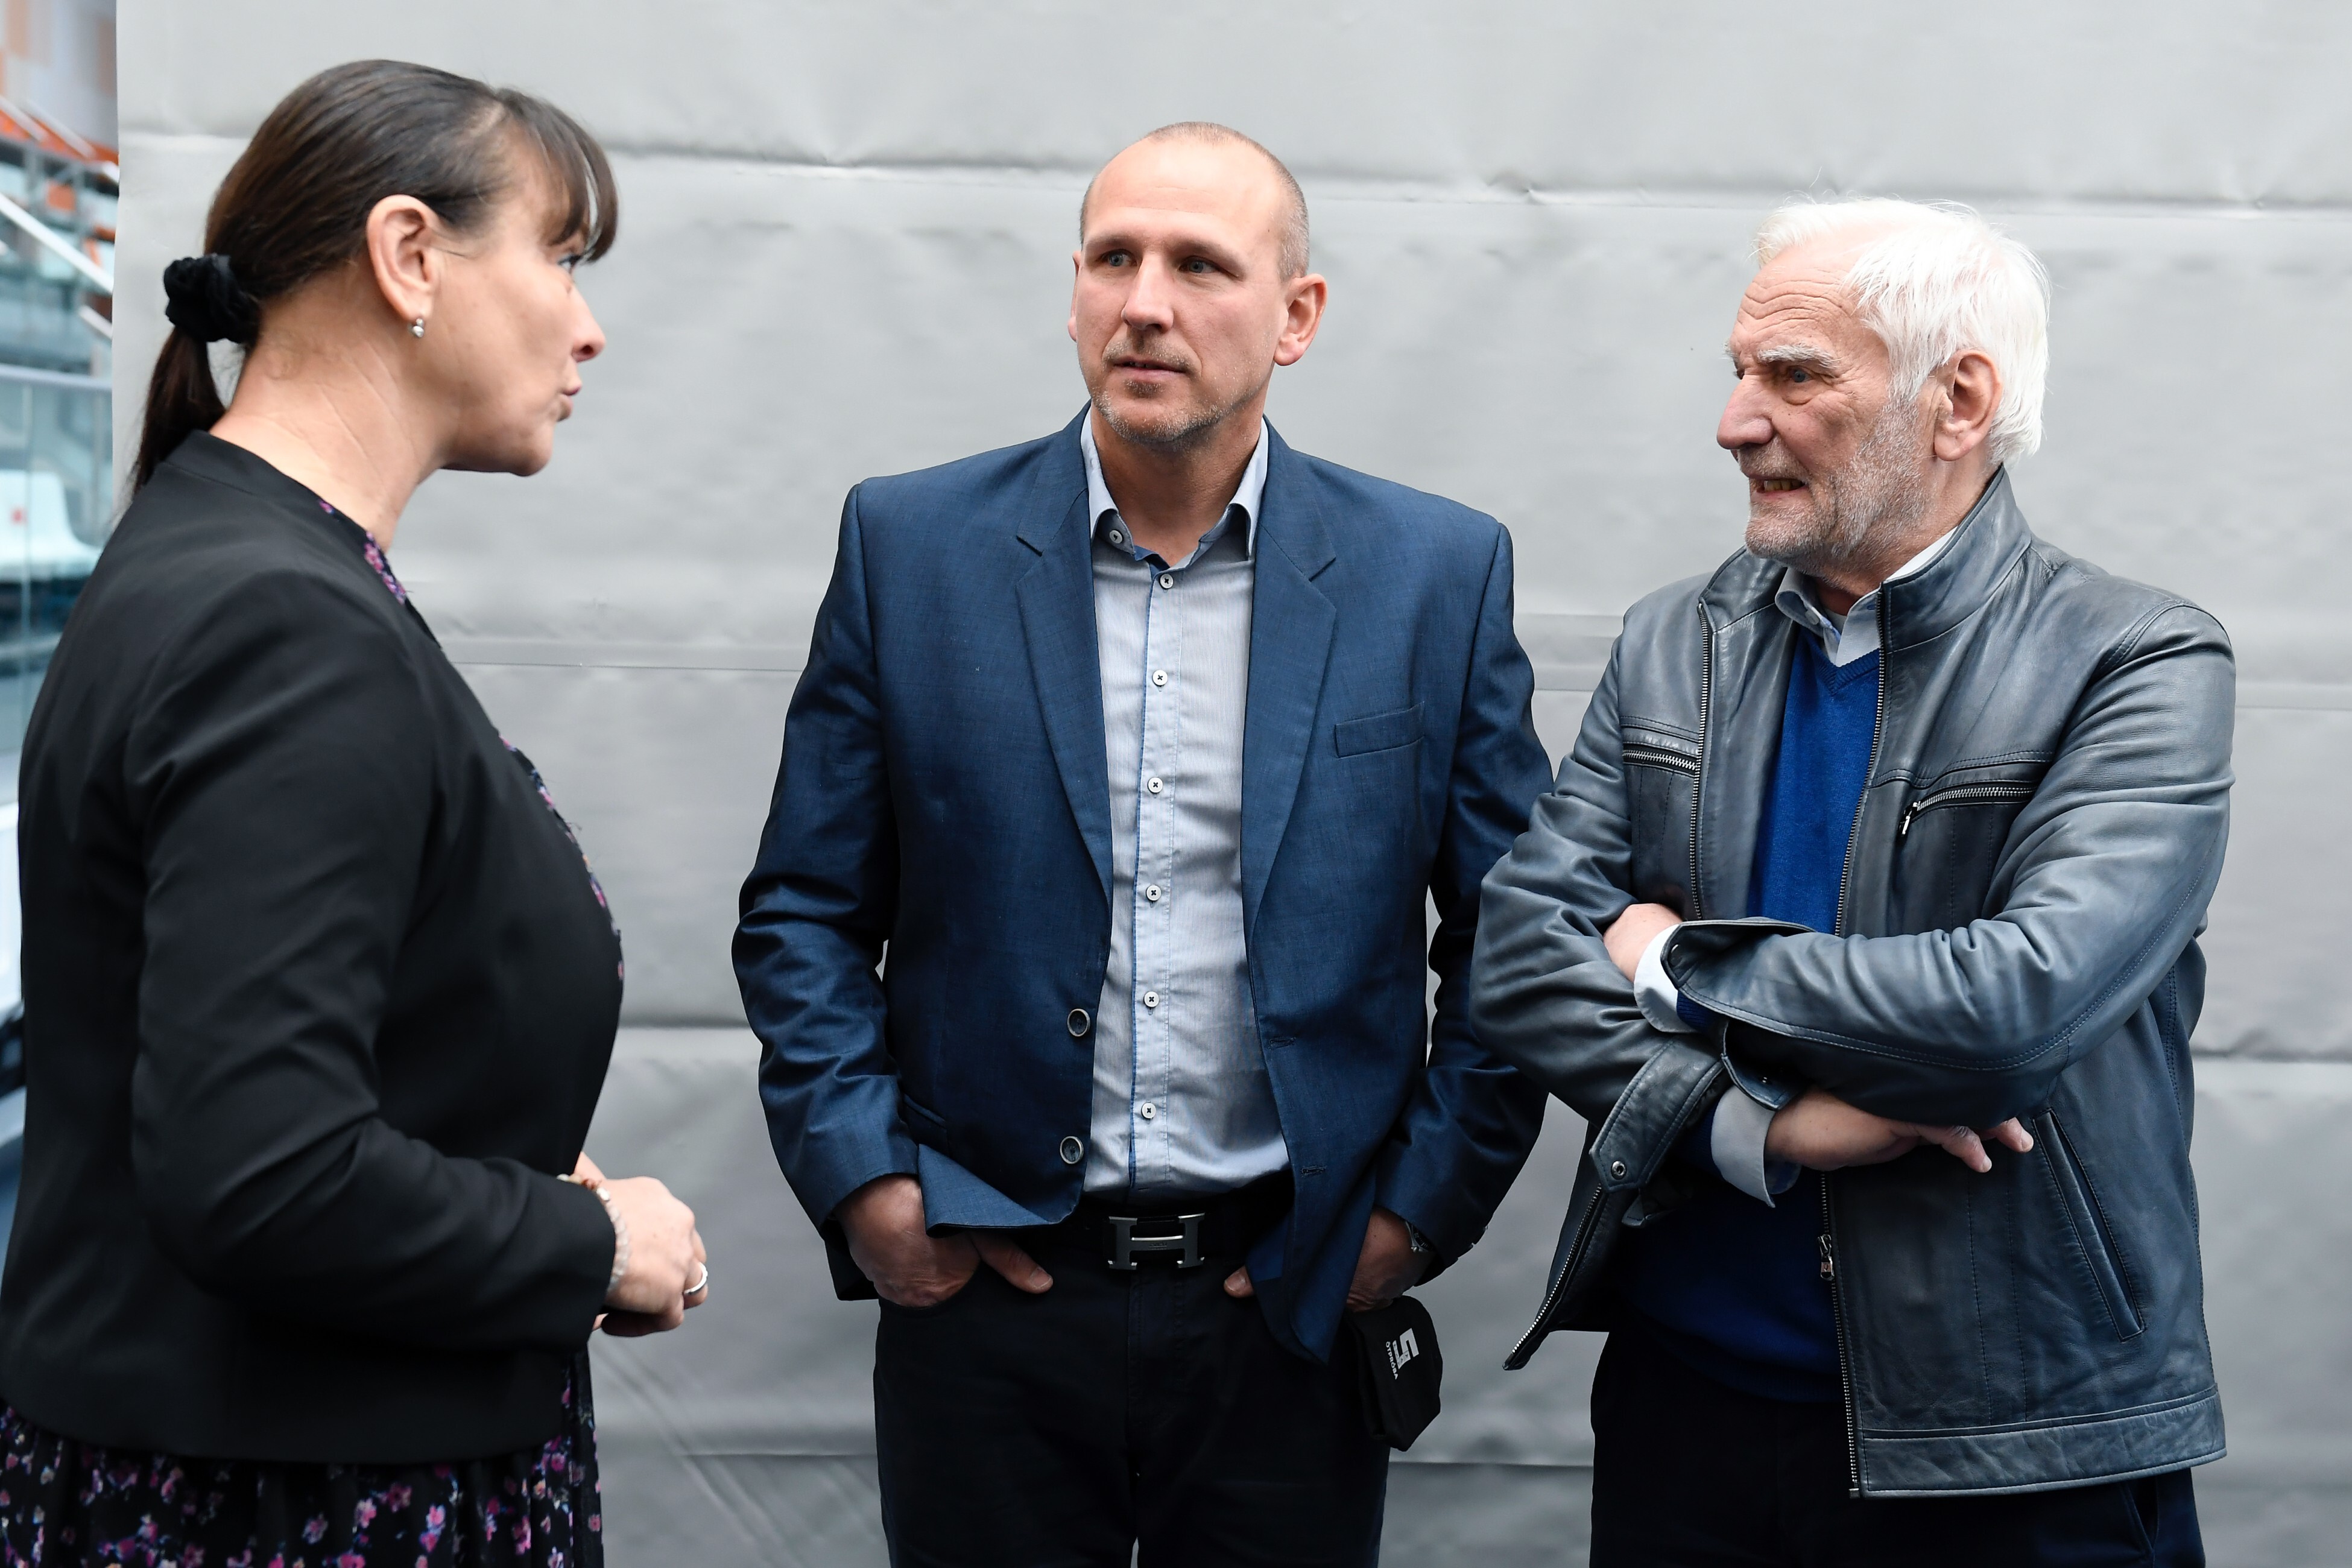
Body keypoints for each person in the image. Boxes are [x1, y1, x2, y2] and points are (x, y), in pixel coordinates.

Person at [735, 122, 1551, 1564]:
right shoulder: (911, 547)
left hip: (1287, 1301)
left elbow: (1513, 938)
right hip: (992, 1301)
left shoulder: (1433, 573)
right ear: (1072, 293)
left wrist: (1415, 1217)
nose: (1145, 304)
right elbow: (804, 907)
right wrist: (867, 1183)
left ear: (1297, 314)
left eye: (1200, 266)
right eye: (1112, 259)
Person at [0, 60, 709, 1568]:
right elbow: (265, 1172)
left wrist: (495, 1168)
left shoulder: (229, 557)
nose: (587, 324)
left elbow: (254, 1064)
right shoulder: (285, 624)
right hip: (294, 1501)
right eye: (560, 255)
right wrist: (590, 1242)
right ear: (408, 256)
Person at [1474, 197, 2229, 1565]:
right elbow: (1522, 956)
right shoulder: (1672, 641)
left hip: (2012, 1445)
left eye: (1795, 374)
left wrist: (1670, 959)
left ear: (1958, 402)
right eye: (1738, 371)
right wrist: (1767, 1129)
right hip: (1683, 1406)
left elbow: (2009, 1013)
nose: (1734, 421)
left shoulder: (2139, 661)